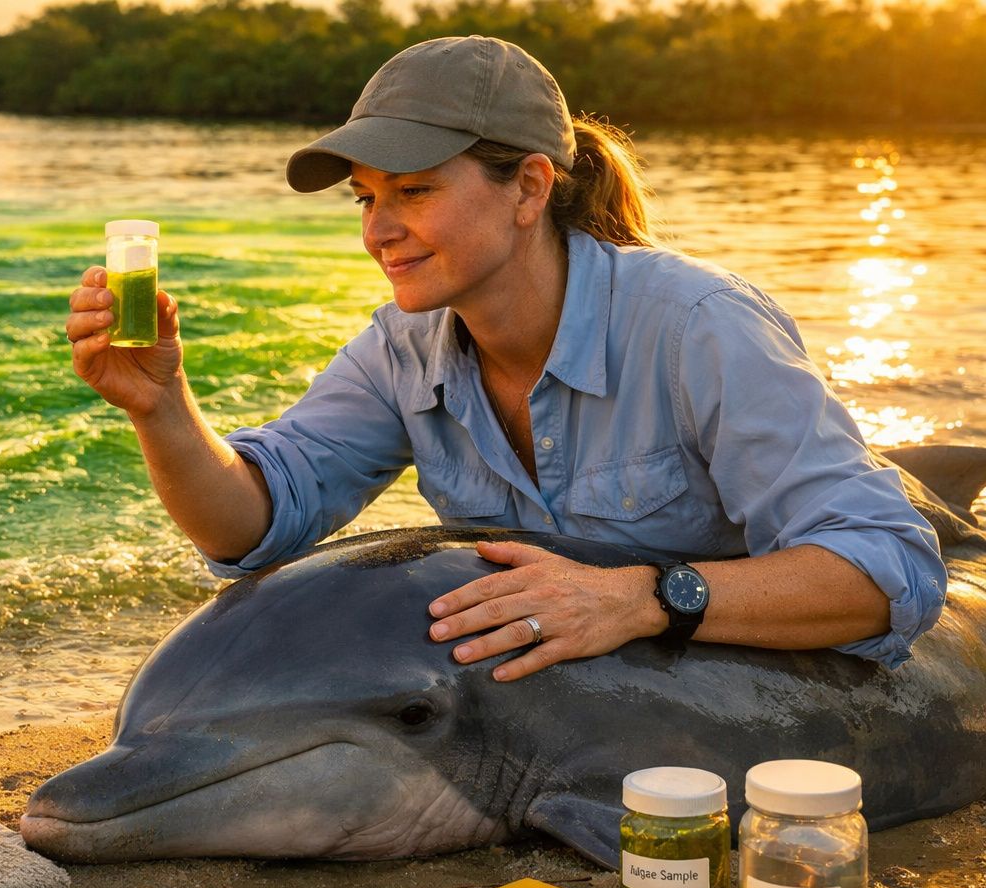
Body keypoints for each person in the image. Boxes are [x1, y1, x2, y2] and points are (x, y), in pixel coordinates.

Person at [63, 35, 946, 679]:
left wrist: (641, 597)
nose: (379, 231)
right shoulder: (400, 349)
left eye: (414, 191)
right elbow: (252, 527)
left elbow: (885, 572)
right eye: (364, 199)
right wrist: (162, 406)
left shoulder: (698, 325)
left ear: (528, 187)